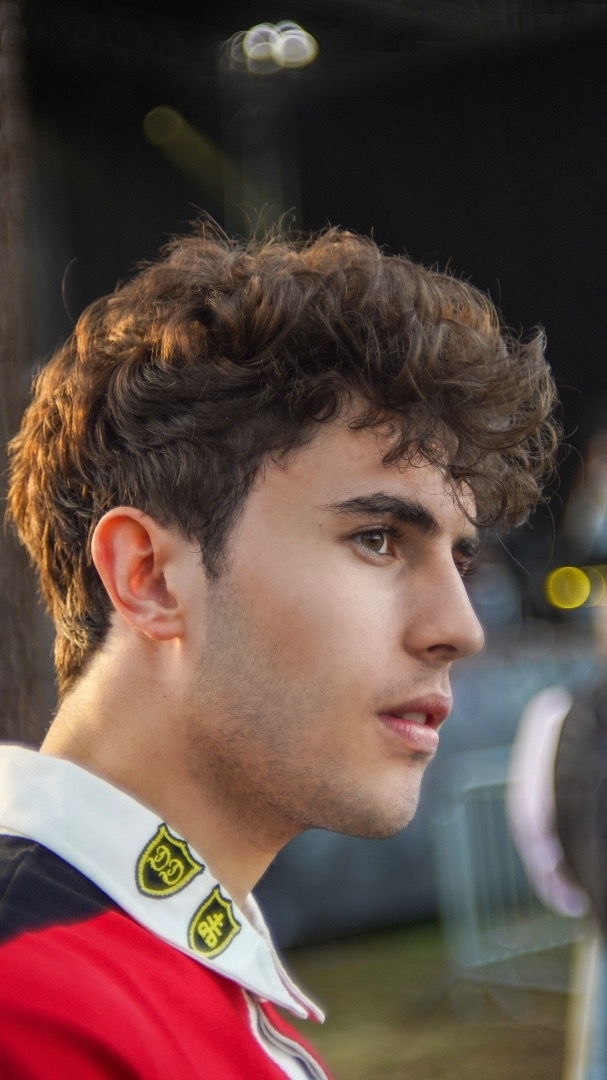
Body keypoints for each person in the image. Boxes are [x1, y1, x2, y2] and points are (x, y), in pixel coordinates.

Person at [1, 222, 559, 1077]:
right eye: (377, 539)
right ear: (148, 577)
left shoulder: (160, 960)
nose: (460, 627)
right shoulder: (31, 999)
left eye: (459, 558)